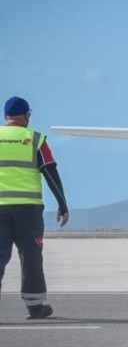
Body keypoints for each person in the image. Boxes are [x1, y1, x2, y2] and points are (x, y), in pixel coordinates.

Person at [0, 96, 69, 319]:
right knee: (30, 257)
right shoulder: (36, 140)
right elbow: (50, 172)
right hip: (28, 211)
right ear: (27, 116)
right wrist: (62, 204)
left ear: (5, 117)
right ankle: (35, 306)